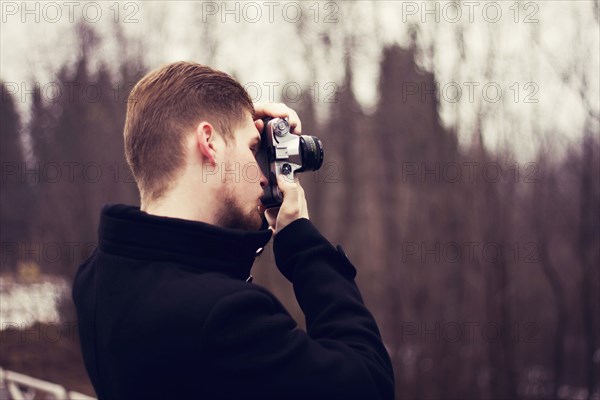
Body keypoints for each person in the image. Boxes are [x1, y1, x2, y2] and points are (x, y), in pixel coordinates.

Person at [72, 61, 395, 400]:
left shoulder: (95, 278)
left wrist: (232, 117)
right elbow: (368, 382)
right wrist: (305, 246)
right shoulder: (225, 317)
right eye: (253, 148)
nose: (262, 176)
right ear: (209, 143)